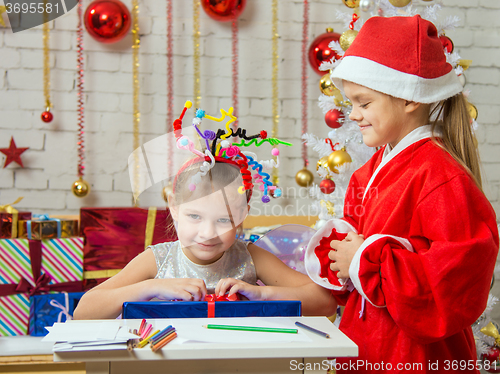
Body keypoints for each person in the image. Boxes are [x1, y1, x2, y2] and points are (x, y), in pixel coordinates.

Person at [304, 15, 499, 374]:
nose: (355, 116)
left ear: (409, 98)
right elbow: (354, 267)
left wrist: (363, 260)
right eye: (351, 105)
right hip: (367, 349)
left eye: (364, 103)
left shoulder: (441, 177)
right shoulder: (368, 174)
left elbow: (455, 286)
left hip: (416, 360)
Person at [74, 108, 337, 320]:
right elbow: (84, 312)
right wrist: (151, 287)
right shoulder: (158, 260)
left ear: (242, 215)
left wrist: (263, 293)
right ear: (174, 207)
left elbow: (325, 303)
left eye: (223, 220)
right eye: (195, 217)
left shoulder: (249, 256)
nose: (208, 233)